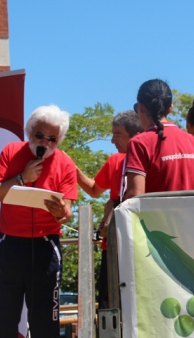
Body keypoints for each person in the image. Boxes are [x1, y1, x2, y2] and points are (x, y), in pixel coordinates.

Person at [0, 105, 77, 338]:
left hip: (45, 247)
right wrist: (21, 178)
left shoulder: (65, 163)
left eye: (52, 139)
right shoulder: (11, 152)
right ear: (29, 131)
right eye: (40, 135)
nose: (45, 143)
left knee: (45, 326)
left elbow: (67, 211)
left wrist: (60, 212)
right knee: (4, 324)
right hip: (9, 247)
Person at [75, 110, 142, 309]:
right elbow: (94, 190)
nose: (112, 140)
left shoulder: (149, 159)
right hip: (112, 248)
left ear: (135, 137)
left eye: (117, 134)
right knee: (108, 309)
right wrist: (72, 168)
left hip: (139, 247)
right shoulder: (115, 161)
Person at [123, 79, 194, 199]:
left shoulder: (138, 143)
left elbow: (135, 195)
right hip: (191, 217)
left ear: (140, 107)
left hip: (156, 217)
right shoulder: (191, 140)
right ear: (170, 108)